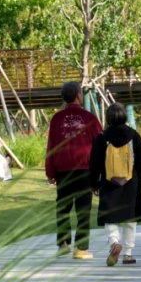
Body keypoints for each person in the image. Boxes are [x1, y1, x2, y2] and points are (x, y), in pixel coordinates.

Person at [88, 103, 141, 267]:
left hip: (109, 183)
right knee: (130, 220)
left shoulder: (102, 137)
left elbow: (94, 163)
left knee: (110, 216)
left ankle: (114, 243)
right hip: (132, 183)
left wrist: (94, 183)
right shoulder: (134, 136)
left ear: (108, 118)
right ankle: (128, 254)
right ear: (124, 116)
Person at [45, 81, 102, 259]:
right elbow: (100, 146)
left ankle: (63, 244)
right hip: (85, 170)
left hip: (63, 171)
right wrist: (99, 174)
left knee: (63, 208)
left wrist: (50, 172)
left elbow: (51, 146)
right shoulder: (90, 118)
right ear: (78, 95)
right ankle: (81, 248)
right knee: (83, 209)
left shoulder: (57, 119)